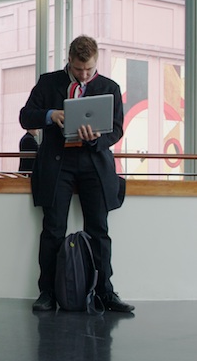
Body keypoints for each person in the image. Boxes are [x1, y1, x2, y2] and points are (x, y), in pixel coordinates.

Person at [19, 35, 134, 313]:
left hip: (94, 163)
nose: (84, 75)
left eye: (90, 70)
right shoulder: (48, 83)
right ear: (69, 60)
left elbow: (117, 129)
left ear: (96, 63)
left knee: (99, 230)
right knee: (53, 229)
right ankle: (47, 292)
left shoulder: (109, 87)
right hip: (58, 164)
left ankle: (105, 293)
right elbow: (25, 117)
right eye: (80, 69)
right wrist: (50, 115)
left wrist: (96, 138)